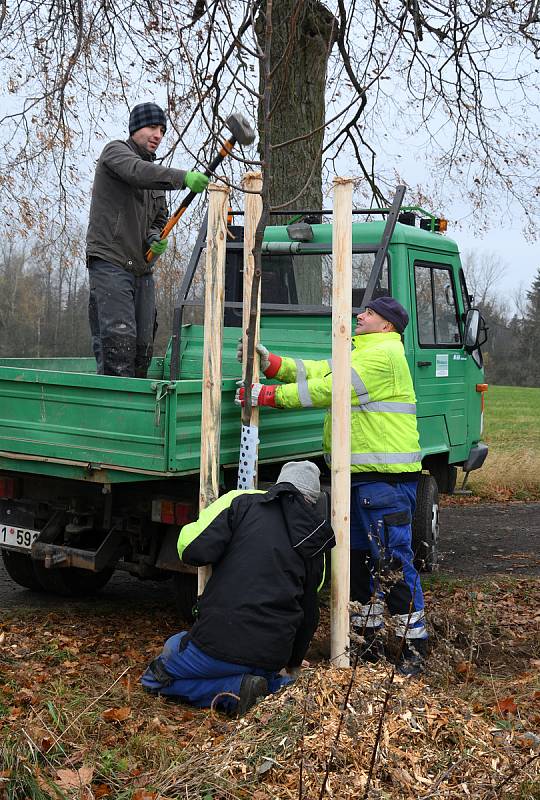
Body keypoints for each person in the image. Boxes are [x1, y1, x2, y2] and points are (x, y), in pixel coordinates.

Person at [236, 296, 428, 676]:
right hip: (358, 478)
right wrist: (275, 365)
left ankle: (413, 649)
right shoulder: (359, 351)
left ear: (387, 325)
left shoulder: (383, 356)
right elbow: (317, 371)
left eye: (369, 313)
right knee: (356, 563)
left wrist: (267, 396)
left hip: (385, 481)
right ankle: (366, 643)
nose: (360, 315)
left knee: (390, 561)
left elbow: (329, 389)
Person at [141, 461, 335, 715]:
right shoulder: (315, 540)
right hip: (271, 656)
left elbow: (192, 551)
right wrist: (292, 661)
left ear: (277, 486)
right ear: (313, 499)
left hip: (216, 644)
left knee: (156, 676)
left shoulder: (242, 505)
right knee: (259, 672)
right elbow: (309, 613)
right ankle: (276, 687)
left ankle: (238, 689)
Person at [86, 102, 209, 378]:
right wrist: (183, 178)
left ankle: (135, 412)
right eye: (153, 127)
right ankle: (113, 412)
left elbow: (159, 219)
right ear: (135, 128)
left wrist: (156, 236)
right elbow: (137, 173)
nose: (158, 135)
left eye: (162, 130)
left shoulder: (155, 180)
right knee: (119, 345)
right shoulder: (116, 153)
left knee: (142, 348)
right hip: (110, 262)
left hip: (141, 269)